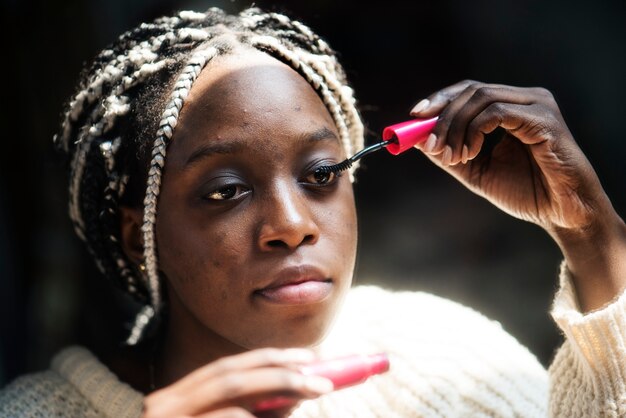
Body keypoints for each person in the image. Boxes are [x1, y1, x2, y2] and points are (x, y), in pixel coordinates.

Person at [1, 6, 625, 418]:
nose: (291, 225)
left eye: (321, 174)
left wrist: (594, 237)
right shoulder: (36, 411)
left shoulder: (439, 358)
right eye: (224, 191)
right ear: (140, 232)